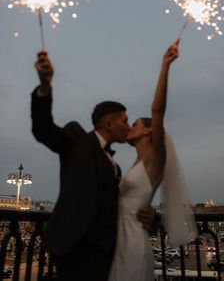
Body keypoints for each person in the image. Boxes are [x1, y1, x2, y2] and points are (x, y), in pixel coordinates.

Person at [31, 51, 155, 281]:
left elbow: (121, 204)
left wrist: (149, 216)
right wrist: (44, 88)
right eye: (125, 120)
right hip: (75, 251)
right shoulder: (77, 140)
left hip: (107, 255)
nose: (128, 127)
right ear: (109, 124)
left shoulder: (115, 166)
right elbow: (43, 129)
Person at [108, 41, 179, 281]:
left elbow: (157, 111)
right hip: (120, 239)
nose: (129, 127)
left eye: (135, 124)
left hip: (134, 242)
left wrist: (165, 66)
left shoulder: (154, 159)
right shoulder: (135, 163)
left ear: (149, 131)